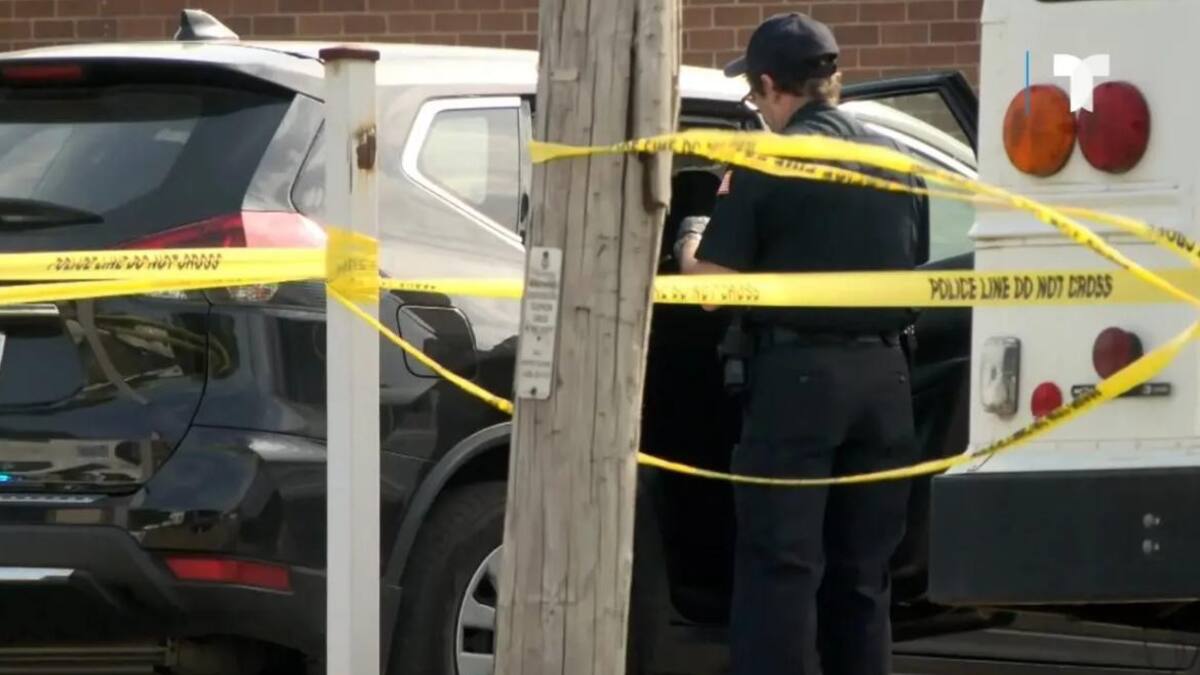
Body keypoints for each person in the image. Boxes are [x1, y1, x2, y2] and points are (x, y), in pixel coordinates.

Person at [674, 12, 929, 675]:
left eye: (754, 97)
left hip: (798, 383)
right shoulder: (895, 159)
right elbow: (916, 262)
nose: (756, 109)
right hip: (885, 380)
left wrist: (692, 231)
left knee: (780, 571)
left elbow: (710, 288)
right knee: (864, 578)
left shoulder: (769, 160)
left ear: (768, 85)